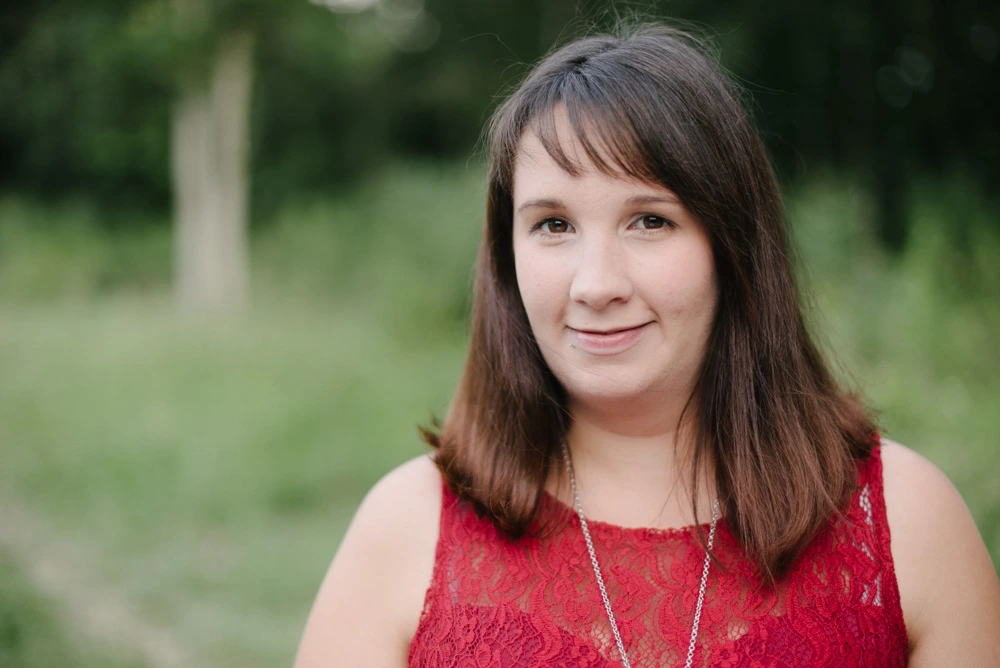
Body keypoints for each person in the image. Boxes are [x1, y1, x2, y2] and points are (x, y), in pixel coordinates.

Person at [294, 24, 1000, 667]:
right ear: (506, 257)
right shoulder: (406, 529)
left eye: (650, 221)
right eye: (553, 225)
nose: (595, 285)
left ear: (733, 245)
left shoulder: (905, 522)